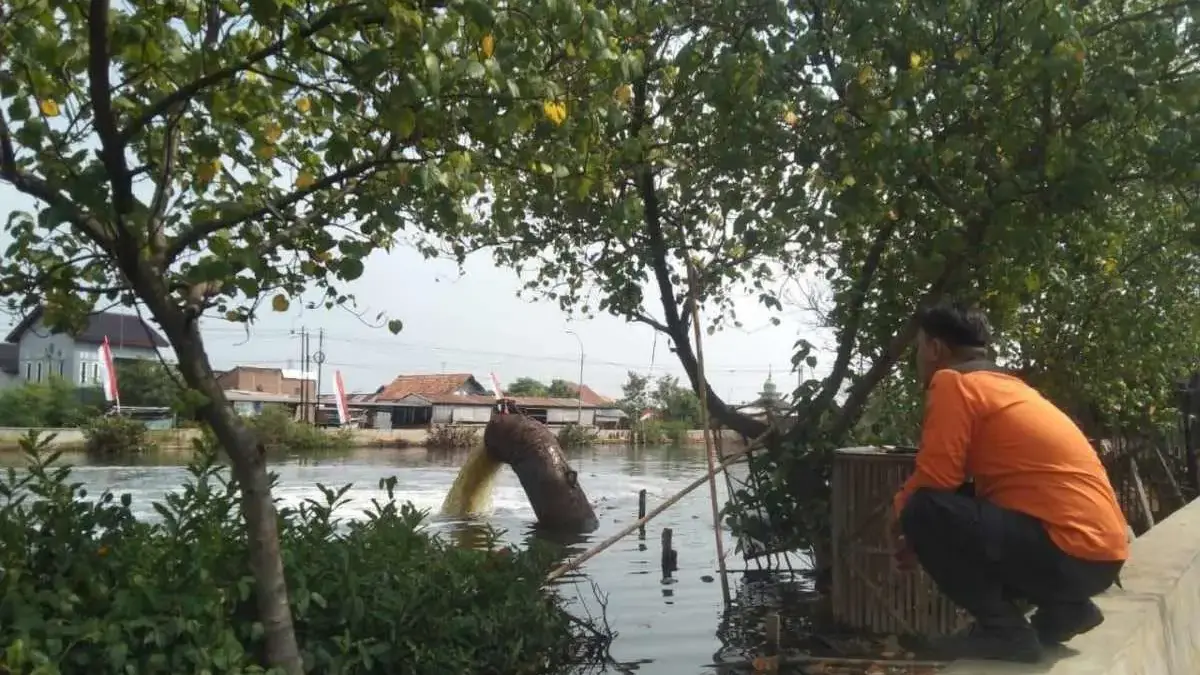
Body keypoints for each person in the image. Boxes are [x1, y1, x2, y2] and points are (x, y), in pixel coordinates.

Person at [890, 301, 1129, 663]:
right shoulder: (1006, 387)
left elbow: (937, 479)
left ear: (935, 348)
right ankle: (1066, 611)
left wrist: (899, 518)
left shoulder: (954, 382)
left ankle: (1004, 633)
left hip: (1068, 553)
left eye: (919, 348)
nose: (918, 359)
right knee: (959, 501)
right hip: (1100, 559)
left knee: (921, 507)